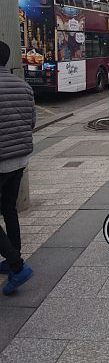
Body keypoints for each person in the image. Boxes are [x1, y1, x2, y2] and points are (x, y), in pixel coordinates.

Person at [0, 41, 34, 294]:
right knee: (8, 209)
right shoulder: (23, 86)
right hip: (20, 159)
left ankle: (16, 264)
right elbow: (31, 122)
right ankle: (14, 254)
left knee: (8, 208)